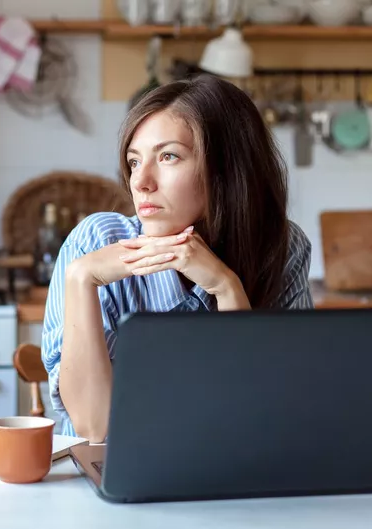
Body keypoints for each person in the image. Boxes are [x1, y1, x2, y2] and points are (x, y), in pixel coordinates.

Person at [41, 75, 314, 443]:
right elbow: (96, 427)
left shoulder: (283, 246)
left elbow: (265, 409)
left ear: (227, 169)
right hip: (104, 480)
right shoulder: (97, 241)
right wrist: (80, 277)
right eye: (134, 161)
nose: (141, 182)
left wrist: (226, 288)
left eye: (168, 156)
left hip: (226, 476)